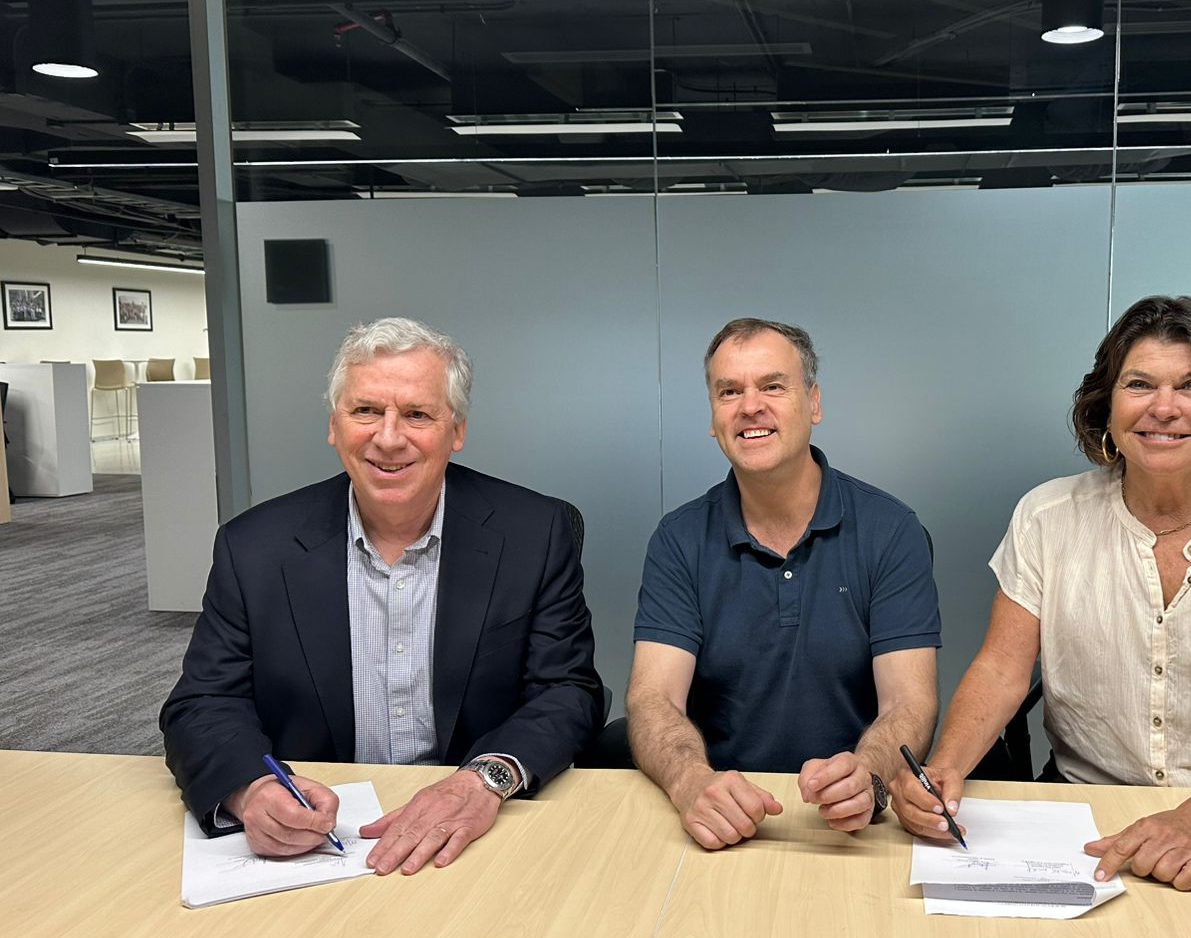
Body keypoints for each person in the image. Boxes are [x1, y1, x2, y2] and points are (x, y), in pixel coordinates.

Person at [892, 295, 1191, 890]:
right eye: (1139, 384)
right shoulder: (1047, 515)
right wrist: (944, 767)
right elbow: (1000, 671)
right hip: (1085, 818)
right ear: (1107, 407)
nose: (1163, 409)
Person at [161, 317, 603, 875]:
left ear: (457, 430)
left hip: (479, 832)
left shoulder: (534, 533)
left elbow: (567, 691)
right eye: (366, 410)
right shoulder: (253, 547)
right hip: (319, 846)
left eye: (417, 415)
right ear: (334, 425)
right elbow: (203, 702)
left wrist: (484, 780)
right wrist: (251, 790)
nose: (389, 438)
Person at [627, 318, 941, 850]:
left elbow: (909, 702)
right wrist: (689, 781)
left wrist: (868, 774)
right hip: (720, 813)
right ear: (713, 417)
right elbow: (653, 698)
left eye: (772, 386)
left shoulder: (891, 530)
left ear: (813, 404)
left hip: (852, 828)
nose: (750, 406)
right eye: (729, 391)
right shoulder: (679, 538)